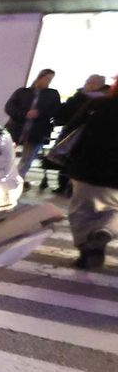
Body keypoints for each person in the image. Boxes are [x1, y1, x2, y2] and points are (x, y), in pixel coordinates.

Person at [66, 97, 118, 270]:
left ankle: (88, 253)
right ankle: (107, 230)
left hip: (88, 169)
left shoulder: (97, 104)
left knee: (82, 213)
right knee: (114, 210)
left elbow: (71, 129)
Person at [5, 69, 62, 181]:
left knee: (27, 159)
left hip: (37, 131)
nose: (48, 81)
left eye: (50, 79)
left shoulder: (52, 94)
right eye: (46, 78)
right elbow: (9, 107)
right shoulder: (22, 92)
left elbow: (55, 110)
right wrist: (24, 114)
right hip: (16, 129)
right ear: (39, 77)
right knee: (7, 156)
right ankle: (6, 177)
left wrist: (40, 113)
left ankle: (17, 180)